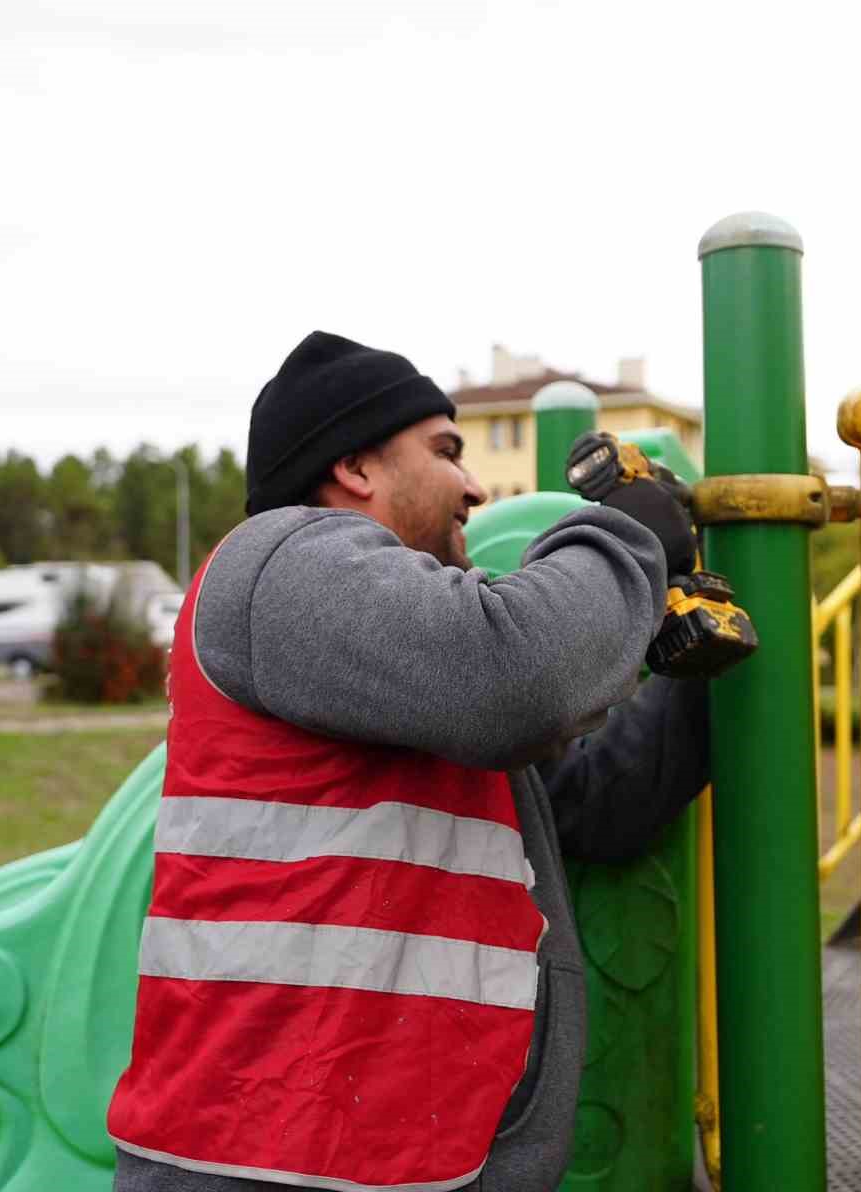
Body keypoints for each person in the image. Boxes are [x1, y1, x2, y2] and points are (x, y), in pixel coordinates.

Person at [108, 332, 710, 1192]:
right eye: (447, 452)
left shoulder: (414, 686)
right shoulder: (283, 563)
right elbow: (520, 674)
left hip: (395, 1160)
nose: (471, 487)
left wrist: (696, 672)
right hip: (263, 1163)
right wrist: (622, 539)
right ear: (354, 467)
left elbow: (595, 806)